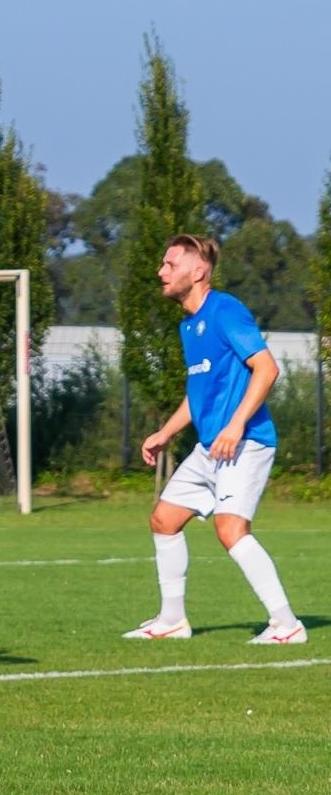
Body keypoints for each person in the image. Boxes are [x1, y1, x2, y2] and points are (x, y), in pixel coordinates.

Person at [123, 234, 306, 645]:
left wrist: (236, 424)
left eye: (170, 265)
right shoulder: (189, 325)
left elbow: (267, 368)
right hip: (211, 448)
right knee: (163, 520)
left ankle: (286, 624)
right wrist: (165, 434)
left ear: (198, 271)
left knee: (230, 529)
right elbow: (198, 393)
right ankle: (172, 620)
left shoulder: (225, 311)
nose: (161, 272)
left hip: (247, 442)